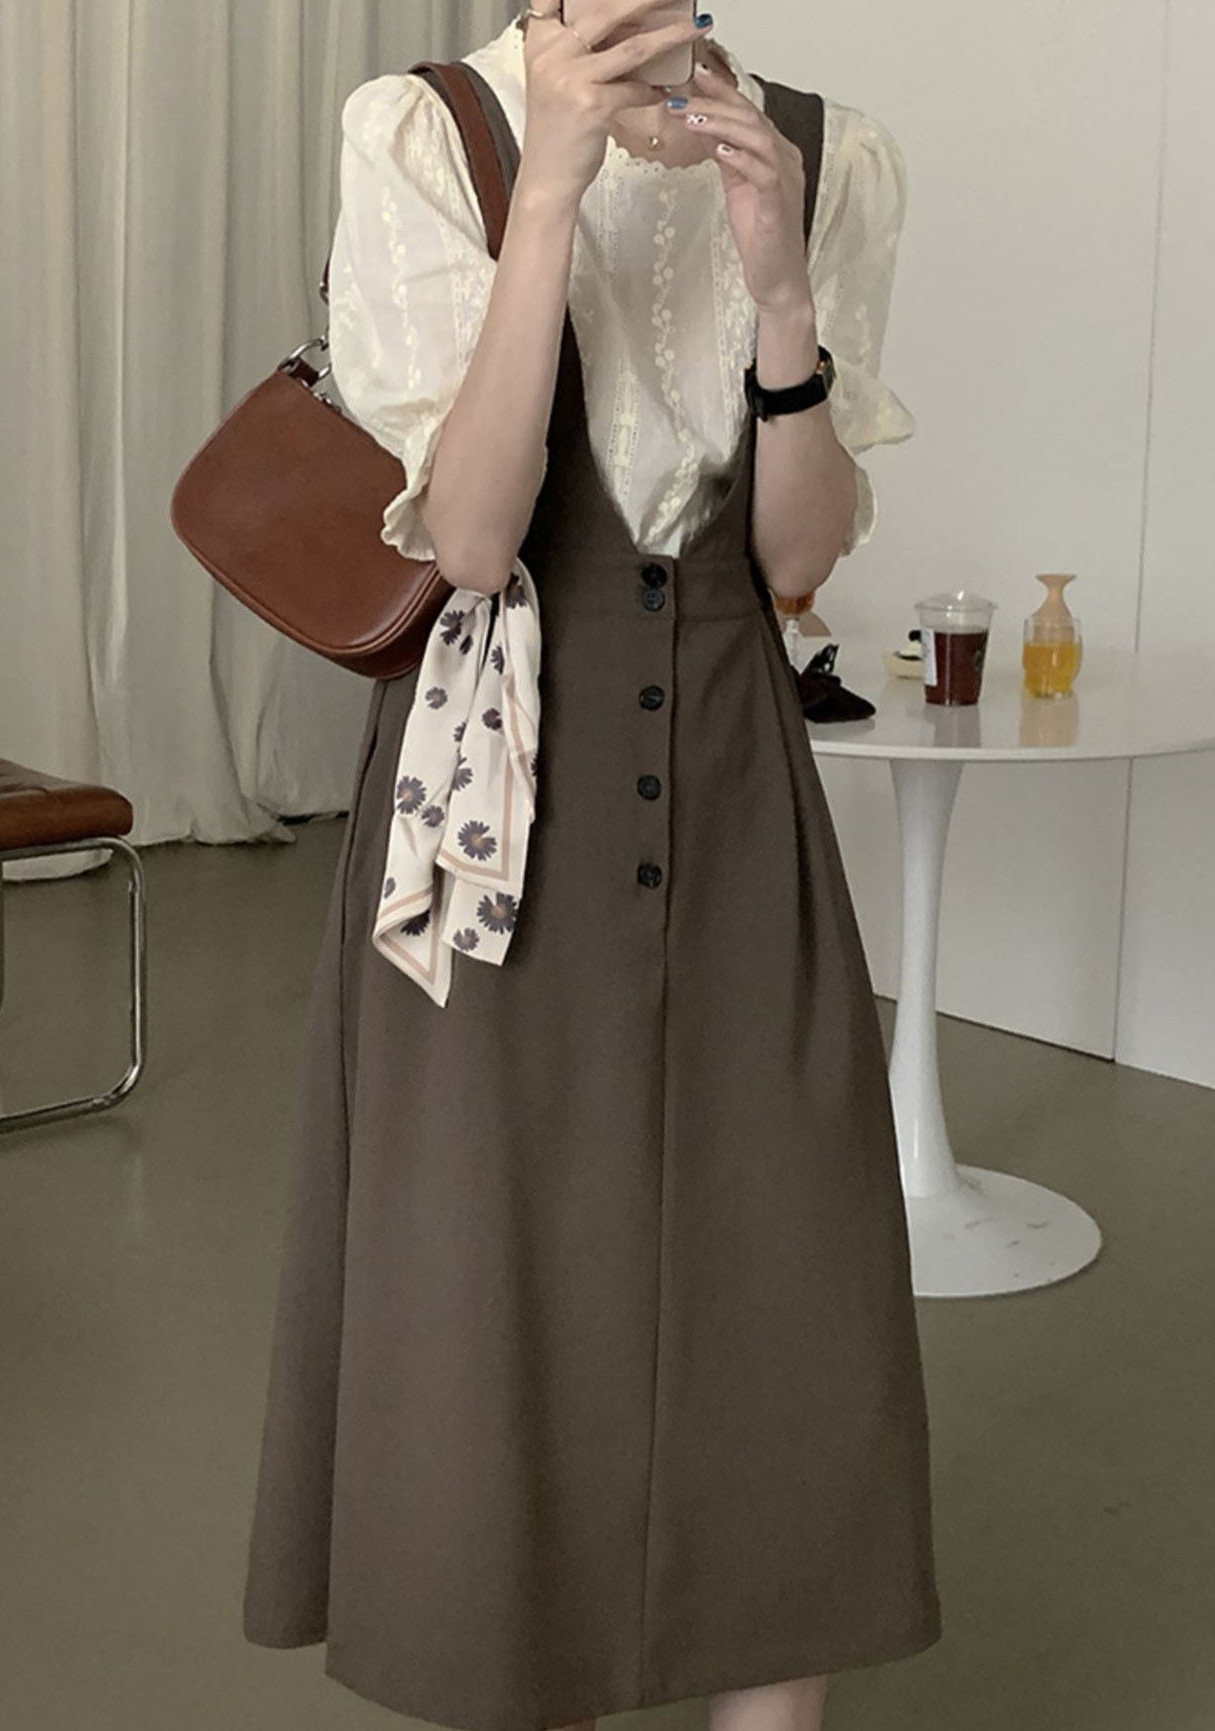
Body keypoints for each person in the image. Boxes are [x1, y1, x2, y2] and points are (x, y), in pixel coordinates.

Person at [242, 6, 941, 1731]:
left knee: (783, 1299)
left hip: (735, 776)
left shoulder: (828, 152)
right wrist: (546, 196)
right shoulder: (425, 134)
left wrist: (782, 298)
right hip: (494, 792)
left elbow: (795, 559)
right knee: (500, 1304)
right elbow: (475, 538)